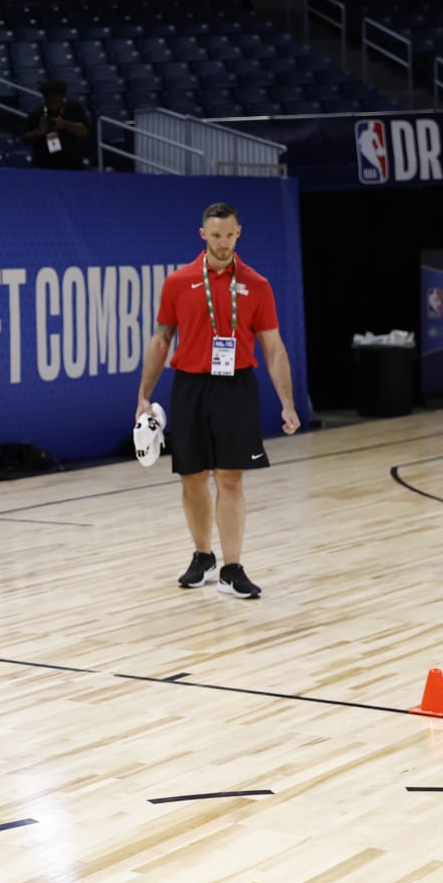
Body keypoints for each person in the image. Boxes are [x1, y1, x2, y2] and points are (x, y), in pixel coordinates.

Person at [135, 202, 299, 600]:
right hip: (190, 385)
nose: (223, 242)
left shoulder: (257, 284)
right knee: (192, 477)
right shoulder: (178, 282)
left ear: (238, 233)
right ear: (203, 235)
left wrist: (287, 402)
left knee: (230, 477)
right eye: (216, 235)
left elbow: (273, 347)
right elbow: (161, 339)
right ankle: (203, 555)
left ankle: (233, 566)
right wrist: (143, 394)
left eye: (230, 235)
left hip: (236, 386)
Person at [21, 78, 89, 169]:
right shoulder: (37, 113)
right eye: (50, 103)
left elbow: (85, 132)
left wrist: (65, 124)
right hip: (44, 166)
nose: (54, 106)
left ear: (63, 97)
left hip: (72, 165)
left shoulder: (75, 109)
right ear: (44, 98)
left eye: (57, 102)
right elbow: (25, 139)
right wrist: (38, 132)